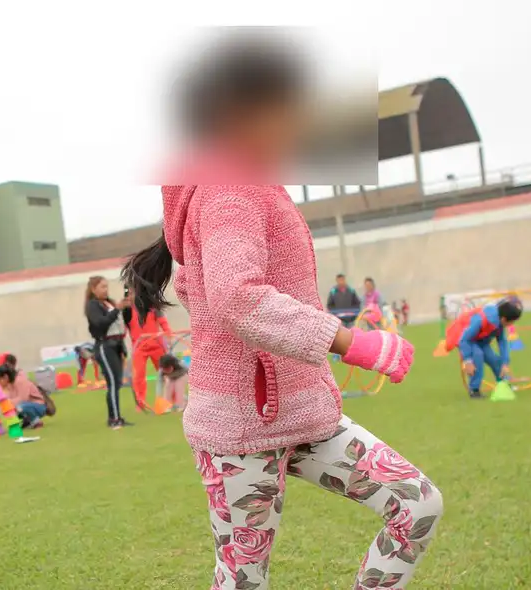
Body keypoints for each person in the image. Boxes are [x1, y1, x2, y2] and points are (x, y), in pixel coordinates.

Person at [120, 33, 435, 589]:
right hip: (238, 424)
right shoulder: (229, 185)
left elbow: (211, 288)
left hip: (304, 411)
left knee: (416, 503)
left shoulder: (248, 182)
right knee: (243, 579)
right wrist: (354, 344)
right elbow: (237, 296)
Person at [445, 298, 524, 399]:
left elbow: (502, 342)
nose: (511, 325)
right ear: (504, 319)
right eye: (512, 322)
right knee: (478, 355)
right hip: (467, 340)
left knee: (495, 360)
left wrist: (505, 363)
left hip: (481, 341)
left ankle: (503, 383)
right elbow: (464, 340)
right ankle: (474, 390)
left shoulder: (499, 323)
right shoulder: (481, 319)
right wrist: (467, 361)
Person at [84, 276, 134, 430]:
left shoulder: (110, 303)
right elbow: (101, 323)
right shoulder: (92, 305)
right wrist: (117, 309)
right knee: (112, 382)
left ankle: (116, 416)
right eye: (102, 287)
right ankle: (114, 419)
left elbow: (126, 321)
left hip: (117, 345)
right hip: (105, 346)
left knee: (117, 383)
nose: (105, 290)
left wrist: (127, 307)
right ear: (93, 289)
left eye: (106, 287)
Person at [124, 295, 172, 412]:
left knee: (167, 373)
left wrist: (169, 336)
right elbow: (123, 329)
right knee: (139, 376)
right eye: (129, 293)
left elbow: (163, 322)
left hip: (156, 346)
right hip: (139, 348)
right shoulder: (127, 310)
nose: (131, 295)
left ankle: (172, 400)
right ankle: (140, 403)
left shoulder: (152, 305)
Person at [0, 361, 46, 429]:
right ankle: (27, 421)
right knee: (10, 409)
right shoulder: (7, 386)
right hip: (24, 405)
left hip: (38, 406)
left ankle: (37, 422)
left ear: (5, 377)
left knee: (20, 406)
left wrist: (7, 402)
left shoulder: (20, 381)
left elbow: (23, 399)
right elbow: (5, 401)